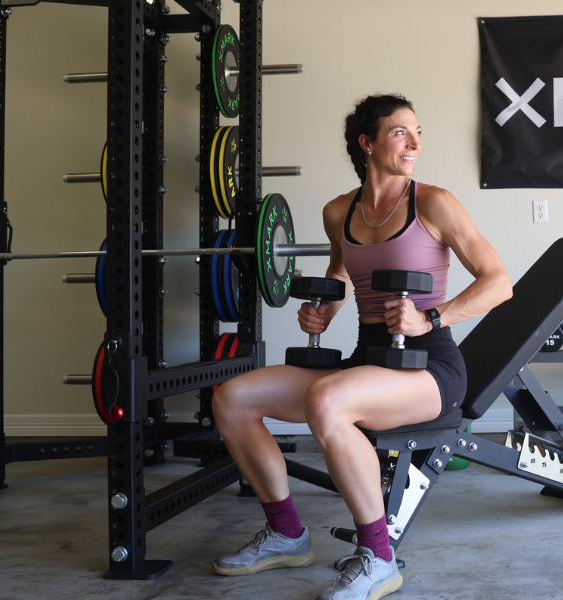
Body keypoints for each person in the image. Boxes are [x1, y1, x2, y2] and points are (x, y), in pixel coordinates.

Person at [210, 94, 512, 600]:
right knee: (233, 399)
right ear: (367, 143)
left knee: (328, 401)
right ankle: (287, 533)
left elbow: (499, 282)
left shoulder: (433, 202)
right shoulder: (338, 212)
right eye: (401, 132)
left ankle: (378, 558)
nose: (415, 142)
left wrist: (429, 317)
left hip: (430, 368)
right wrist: (323, 311)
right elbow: (340, 274)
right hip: (368, 358)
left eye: (418, 131)